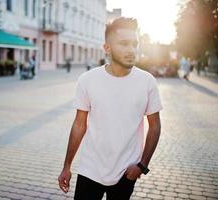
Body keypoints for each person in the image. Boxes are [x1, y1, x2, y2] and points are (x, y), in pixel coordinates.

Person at [58, 17, 162, 200]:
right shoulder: (88, 80)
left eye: (134, 44)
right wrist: (67, 166)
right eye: (124, 44)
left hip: (126, 172)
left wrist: (142, 165)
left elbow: (154, 126)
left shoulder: (147, 82)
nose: (131, 50)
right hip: (90, 169)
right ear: (107, 48)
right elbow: (79, 125)